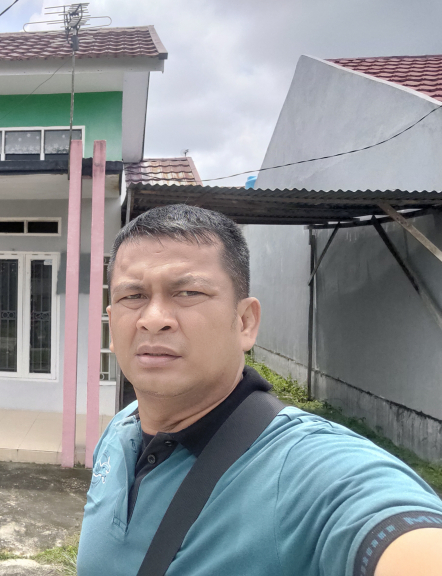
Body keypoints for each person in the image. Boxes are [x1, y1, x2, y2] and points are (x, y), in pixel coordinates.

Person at [77, 204, 442, 576]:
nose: (153, 319)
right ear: (112, 322)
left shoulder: (305, 469)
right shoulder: (120, 432)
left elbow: (395, 528)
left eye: (187, 292)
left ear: (245, 322)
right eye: (133, 296)